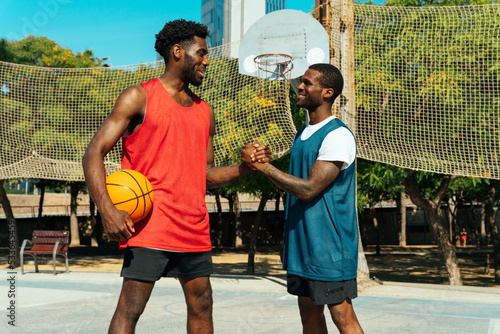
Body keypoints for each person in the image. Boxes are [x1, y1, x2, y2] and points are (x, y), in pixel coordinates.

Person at [82, 19, 270, 334]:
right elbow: (93, 154)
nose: (207, 61)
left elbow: (206, 175)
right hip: (150, 226)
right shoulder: (138, 97)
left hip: (193, 228)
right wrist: (106, 208)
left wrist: (245, 167)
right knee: (131, 309)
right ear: (179, 52)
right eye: (202, 53)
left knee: (203, 304)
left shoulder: (204, 111)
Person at [242, 63, 363, 333]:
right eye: (301, 81)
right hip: (302, 246)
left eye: (308, 83)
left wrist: (264, 167)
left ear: (327, 93)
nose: (300, 86)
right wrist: (266, 160)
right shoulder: (302, 134)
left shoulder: (337, 135)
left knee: (343, 317)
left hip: (329, 248)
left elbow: (309, 188)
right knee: (308, 315)